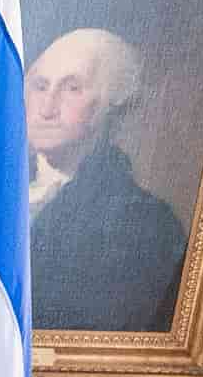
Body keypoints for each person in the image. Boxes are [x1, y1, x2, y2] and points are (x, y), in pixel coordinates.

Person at [26, 27, 187, 332]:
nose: (46, 109)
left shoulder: (147, 224)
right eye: (40, 86)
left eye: (72, 88)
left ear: (112, 105)